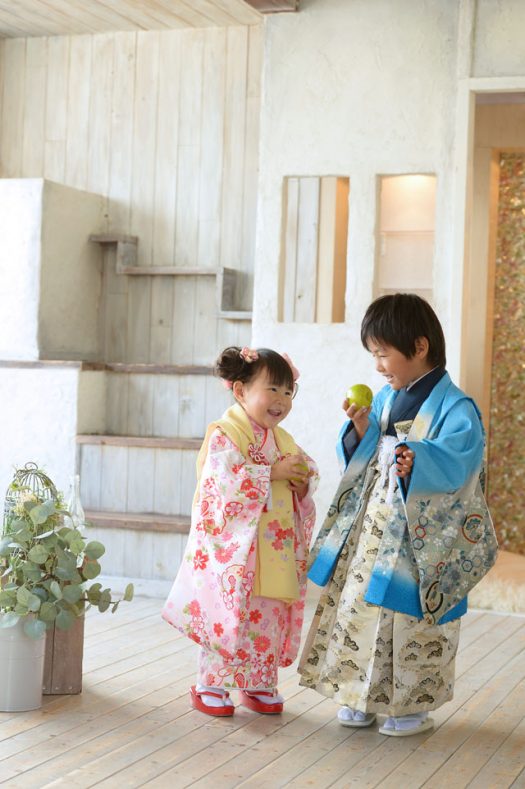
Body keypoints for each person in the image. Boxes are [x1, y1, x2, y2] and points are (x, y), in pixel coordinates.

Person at [298, 293, 497, 736]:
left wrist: (418, 460)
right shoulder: (386, 400)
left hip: (417, 536)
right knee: (359, 605)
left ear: (419, 346)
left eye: (383, 353)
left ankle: (410, 707)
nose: (377, 366)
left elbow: (461, 464)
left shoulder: (456, 408)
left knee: (408, 618)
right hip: (372, 526)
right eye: (373, 354)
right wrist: (362, 431)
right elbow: (364, 455)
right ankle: (356, 695)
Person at [163, 346, 318, 717]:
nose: (281, 400)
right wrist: (272, 473)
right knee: (230, 612)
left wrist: (301, 483)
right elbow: (221, 484)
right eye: (272, 389)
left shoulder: (282, 440)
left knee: (267, 613)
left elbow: (307, 473)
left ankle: (259, 682)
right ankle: (210, 684)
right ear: (240, 391)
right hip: (236, 553)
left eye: (288, 391)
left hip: (271, 549)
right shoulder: (226, 434)